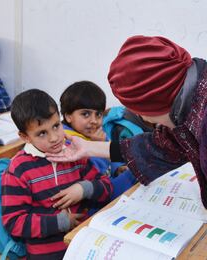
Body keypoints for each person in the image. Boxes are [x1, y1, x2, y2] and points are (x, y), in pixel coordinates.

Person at [46, 35, 207, 209]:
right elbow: (161, 146)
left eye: (139, 110)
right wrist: (89, 147)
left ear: (155, 101)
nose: (143, 118)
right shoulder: (193, 103)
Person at [2, 89, 113, 259]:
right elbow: (13, 222)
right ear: (25, 137)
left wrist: (84, 189)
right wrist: (59, 223)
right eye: (42, 133)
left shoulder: (74, 153)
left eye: (56, 126)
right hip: (47, 254)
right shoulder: (18, 170)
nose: (54, 138)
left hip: (83, 244)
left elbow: (106, 187)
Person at [60, 81, 136, 201]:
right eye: (85, 114)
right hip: (95, 196)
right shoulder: (66, 143)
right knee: (138, 172)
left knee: (137, 169)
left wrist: (118, 168)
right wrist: (96, 146)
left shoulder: (97, 134)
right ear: (68, 116)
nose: (94, 121)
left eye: (98, 114)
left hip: (108, 184)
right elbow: (94, 175)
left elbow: (113, 158)